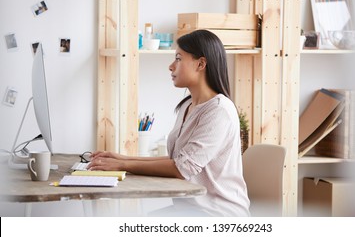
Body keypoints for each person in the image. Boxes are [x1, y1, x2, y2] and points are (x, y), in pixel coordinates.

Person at [89, 29, 250, 216]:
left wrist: (123, 166)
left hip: (218, 214)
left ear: (201, 64)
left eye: (179, 58)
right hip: (191, 209)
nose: (171, 66)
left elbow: (182, 168)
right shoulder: (188, 105)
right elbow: (179, 159)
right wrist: (122, 158)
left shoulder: (219, 111)